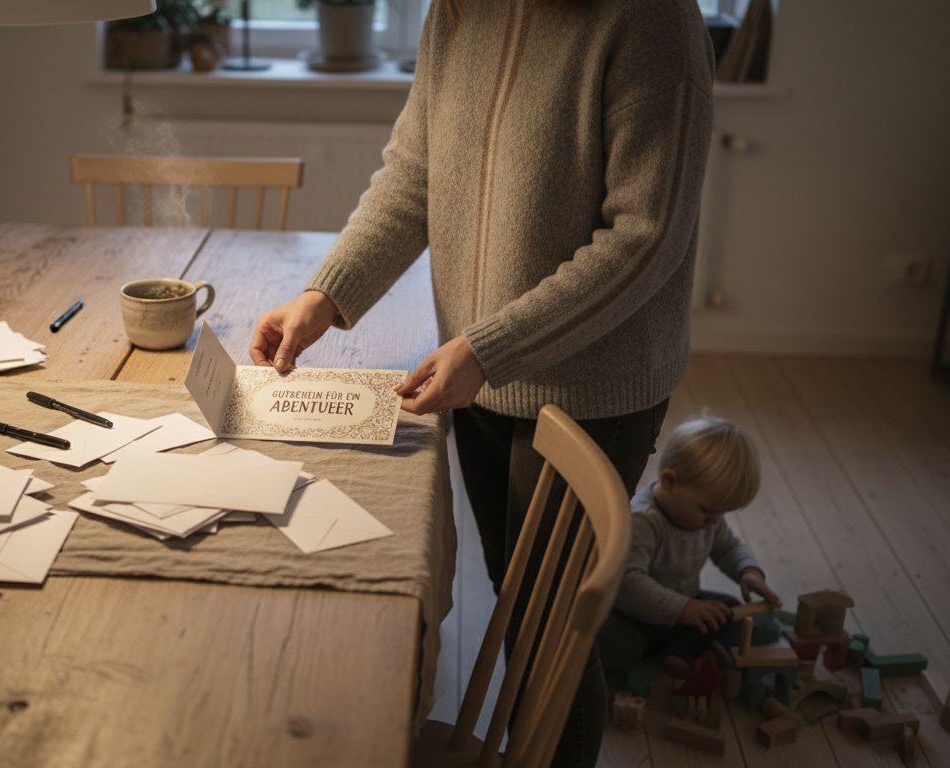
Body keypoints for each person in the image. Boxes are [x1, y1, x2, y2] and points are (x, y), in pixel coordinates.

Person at [249, 0, 716, 764]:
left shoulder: (651, 20)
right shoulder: (459, 11)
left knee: (551, 630)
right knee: (518, 596)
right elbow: (413, 178)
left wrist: (491, 347)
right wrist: (326, 297)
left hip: (592, 386)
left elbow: (645, 238)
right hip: (479, 370)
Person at [596, 415, 782, 681]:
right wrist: (684, 609)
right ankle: (666, 658)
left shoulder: (708, 518)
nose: (715, 521)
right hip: (631, 617)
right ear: (669, 481)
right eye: (707, 510)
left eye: (722, 512)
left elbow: (727, 547)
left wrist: (748, 571)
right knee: (605, 646)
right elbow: (628, 583)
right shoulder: (642, 520)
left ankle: (672, 657)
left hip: (681, 611)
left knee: (728, 610)